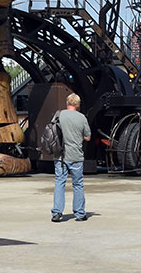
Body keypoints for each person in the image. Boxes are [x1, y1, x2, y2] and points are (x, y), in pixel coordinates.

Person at [52, 93, 92, 222]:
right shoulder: (82, 118)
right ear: (78, 105)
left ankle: (57, 212)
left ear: (67, 103)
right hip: (76, 156)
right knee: (78, 184)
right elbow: (88, 137)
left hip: (61, 156)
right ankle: (80, 213)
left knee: (60, 182)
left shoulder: (59, 115)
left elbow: (52, 131)